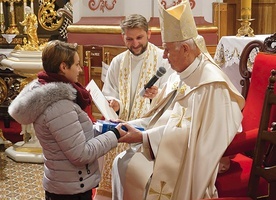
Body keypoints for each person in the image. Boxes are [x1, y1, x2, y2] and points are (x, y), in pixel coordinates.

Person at [111, 1, 245, 199]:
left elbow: (195, 137)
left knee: (134, 169)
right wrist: (129, 124)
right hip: (166, 147)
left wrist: (143, 137)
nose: (164, 55)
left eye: (167, 49)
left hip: (191, 161)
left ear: (184, 48)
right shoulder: (179, 74)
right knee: (121, 161)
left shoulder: (210, 84)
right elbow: (159, 116)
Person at [8, 40, 126, 200]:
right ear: (63, 67)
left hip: (63, 183)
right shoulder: (59, 105)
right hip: (70, 190)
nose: (79, 69)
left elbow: (72, 135)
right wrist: (115, 135)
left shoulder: (42, 89)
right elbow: (81, 154)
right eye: (77, 64)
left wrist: (104, 128)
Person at [95, 14, 173, 199]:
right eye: (129, 39)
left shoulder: (163, 60)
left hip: (146, 130)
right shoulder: (118, 61)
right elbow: (110, 91)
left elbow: (171, 96)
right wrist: (115, 104)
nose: (135, 43)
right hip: (120, 127)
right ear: (123, 37)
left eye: (139, 38)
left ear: (149, 34)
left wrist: (157, 96)